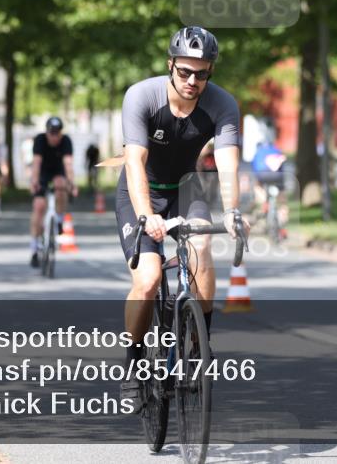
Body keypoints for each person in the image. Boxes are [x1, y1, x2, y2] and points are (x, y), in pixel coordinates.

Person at [116, 26, 250, 402]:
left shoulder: (222, 105)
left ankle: (199, 347)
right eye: (185, 71)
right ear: (170, 65)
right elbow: (135, 162)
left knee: (203, 249)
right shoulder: (142, 96)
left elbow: (227, 164)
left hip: (187, 189)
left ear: (211, 71)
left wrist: (233, 213)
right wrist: (147, 215)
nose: (193, 80)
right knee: (148, 278)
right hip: (139, 190)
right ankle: (134, 361)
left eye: (202, 73)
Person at [30, 116, 77, 267]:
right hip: (43, 173)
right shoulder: (40, 140)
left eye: (57, 133)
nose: (54, 136)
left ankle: (59, 220)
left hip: (58, 172)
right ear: (47, 132)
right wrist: (34, 182)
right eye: (52, 133)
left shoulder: (66, 141)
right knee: (39, 206)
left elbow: (68, 164)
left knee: (61, 185)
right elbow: (36, 163)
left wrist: (71, 184)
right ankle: (34, 248)